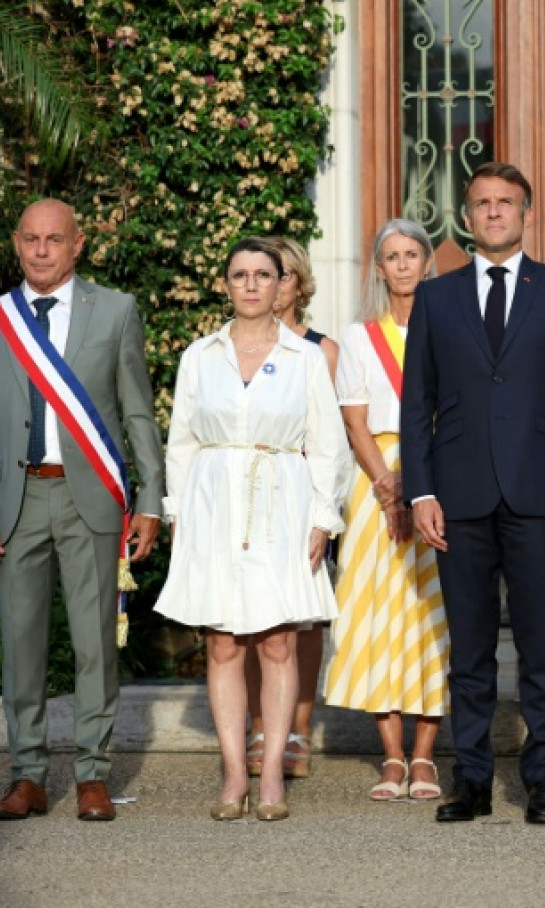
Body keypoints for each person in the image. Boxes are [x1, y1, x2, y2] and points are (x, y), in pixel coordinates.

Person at [401, 161, 545, 825]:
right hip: (458, 499)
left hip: (540, 495)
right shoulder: (435, 297)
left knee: (542, 646)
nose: (493, 213)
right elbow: (417, 404)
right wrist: (421, 492)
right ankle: (473, 781)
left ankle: (544, 780)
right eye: (482, 203)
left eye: (505, 203)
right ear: (468, 215)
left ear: (526, 213)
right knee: (472, 649)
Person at [0, 198, 165, 822]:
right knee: (21, 645)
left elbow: (136, 413)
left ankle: (94, 775)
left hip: (89, 499)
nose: (41, 250)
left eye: (54, 239)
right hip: (12, 503)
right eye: (30, 240)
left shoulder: (116, 311)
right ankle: (28, 776)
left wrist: (149, 498)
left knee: (95, 643)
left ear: (77, 245)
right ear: (17, 245)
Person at [155, 237, 349, 821]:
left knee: (278, 640)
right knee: (221, 642)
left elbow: (328, 446)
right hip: (214, 505)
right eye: (239, 274)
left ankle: (271, 779)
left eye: (262, 275)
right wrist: (179, 516)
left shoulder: (305, 358)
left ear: (280, 284)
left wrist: (324, 517)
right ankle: (234, 775)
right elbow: (181, 443)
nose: (250, 284)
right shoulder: (199, 356)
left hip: (282, 502)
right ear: (226, 283)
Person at [324, 219, 450, 802]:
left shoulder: (452, 325)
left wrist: (419, 482)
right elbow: (354, 418)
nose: (402, 265)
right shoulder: (358, 336)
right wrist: (386, 484)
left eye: (411, 254)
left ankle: (426, 756)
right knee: (377, 612)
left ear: (427, 262)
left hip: (443, 477)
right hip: (377, 480)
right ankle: (392, 757)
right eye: (391, 256)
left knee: (434, 614)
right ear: (379, 268)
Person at [238, 236, 340, 782]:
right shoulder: (232, 346)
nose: (269, 288)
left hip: (304, 496)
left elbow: (330, 434)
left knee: (302, 618)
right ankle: (258, 728)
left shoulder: (320, 350)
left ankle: (296, 728)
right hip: (250, 500)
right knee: (250, 617)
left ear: (296, 284)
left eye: (280, 277)